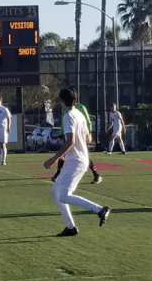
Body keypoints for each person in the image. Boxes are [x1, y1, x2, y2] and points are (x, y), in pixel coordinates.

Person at [43, 89, 111, 236]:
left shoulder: (68, 116)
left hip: (77, 161)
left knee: (64, 196)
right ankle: (70, 227)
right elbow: (87, 139)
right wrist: (68, 151)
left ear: (62, 101)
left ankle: (100, 209)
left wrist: (54, 158)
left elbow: (70, 140)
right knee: (54, 192)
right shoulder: (79, 114)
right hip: (76, 159)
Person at [51, 89, 102, 184]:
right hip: (69, 134)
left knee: (78, 153)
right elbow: (64, 124)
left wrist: (89, 133)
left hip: (79, 136)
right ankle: (58, 173)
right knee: (66, 154)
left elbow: (87, 121)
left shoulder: (79, 109)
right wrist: (61, 133)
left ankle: (95, 173)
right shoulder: (66, 111)